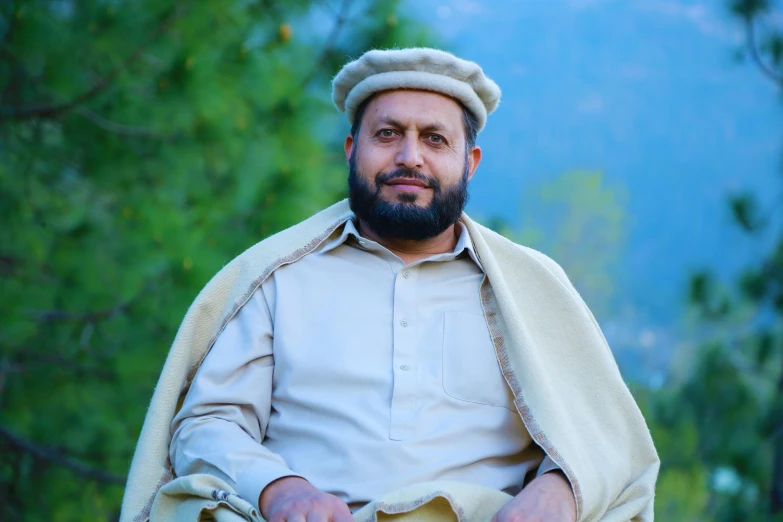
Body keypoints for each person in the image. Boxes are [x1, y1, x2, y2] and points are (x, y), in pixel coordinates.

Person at [120, 48, 659, 522]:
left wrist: (558, 493)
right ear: (351, 149)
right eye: (388, 134)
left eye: (434, 139)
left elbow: (604, 436)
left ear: (468, 163)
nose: (410, 157)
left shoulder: (530, 289)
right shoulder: (278, 277)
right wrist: (279, 490)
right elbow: (208, 423)